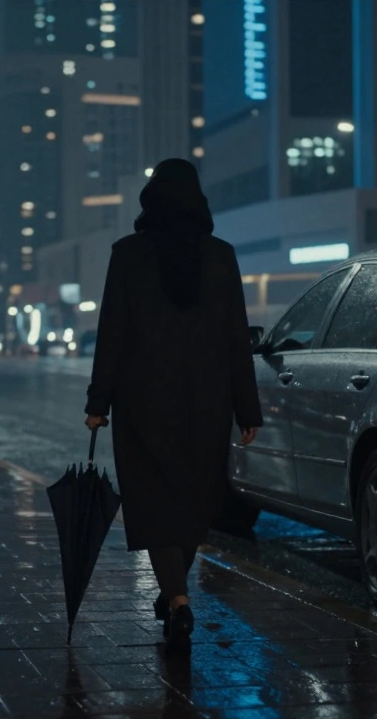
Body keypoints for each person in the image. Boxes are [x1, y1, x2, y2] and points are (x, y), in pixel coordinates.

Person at [83, 158, 262, 655]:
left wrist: (99, 403)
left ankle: (178, 598)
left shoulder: (128, 254)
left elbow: (112, 333)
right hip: (208, 401)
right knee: (191, 500)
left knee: (156, 499)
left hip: (143, 399)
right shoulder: (221, 256)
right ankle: (175, 593)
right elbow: (234, 339)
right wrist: (247, 409)